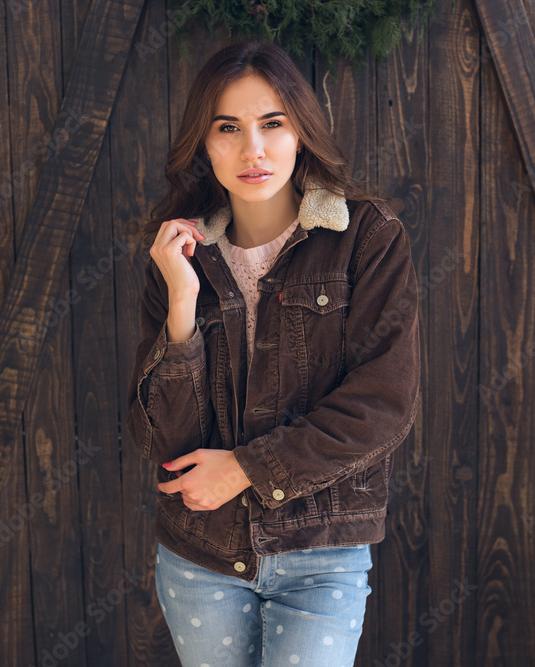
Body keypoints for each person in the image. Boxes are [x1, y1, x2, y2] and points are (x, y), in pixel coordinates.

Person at [126, 38, 421, 667]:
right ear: (203, 144)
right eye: (228, 127)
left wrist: (250, 468)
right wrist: (182, 305)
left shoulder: (367, 238)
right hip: (199, 557)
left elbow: (384, 403)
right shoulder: (179, 255)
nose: (252, 150)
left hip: (322, 554)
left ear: (301, 133)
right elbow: (166, 442)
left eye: (272, 124)